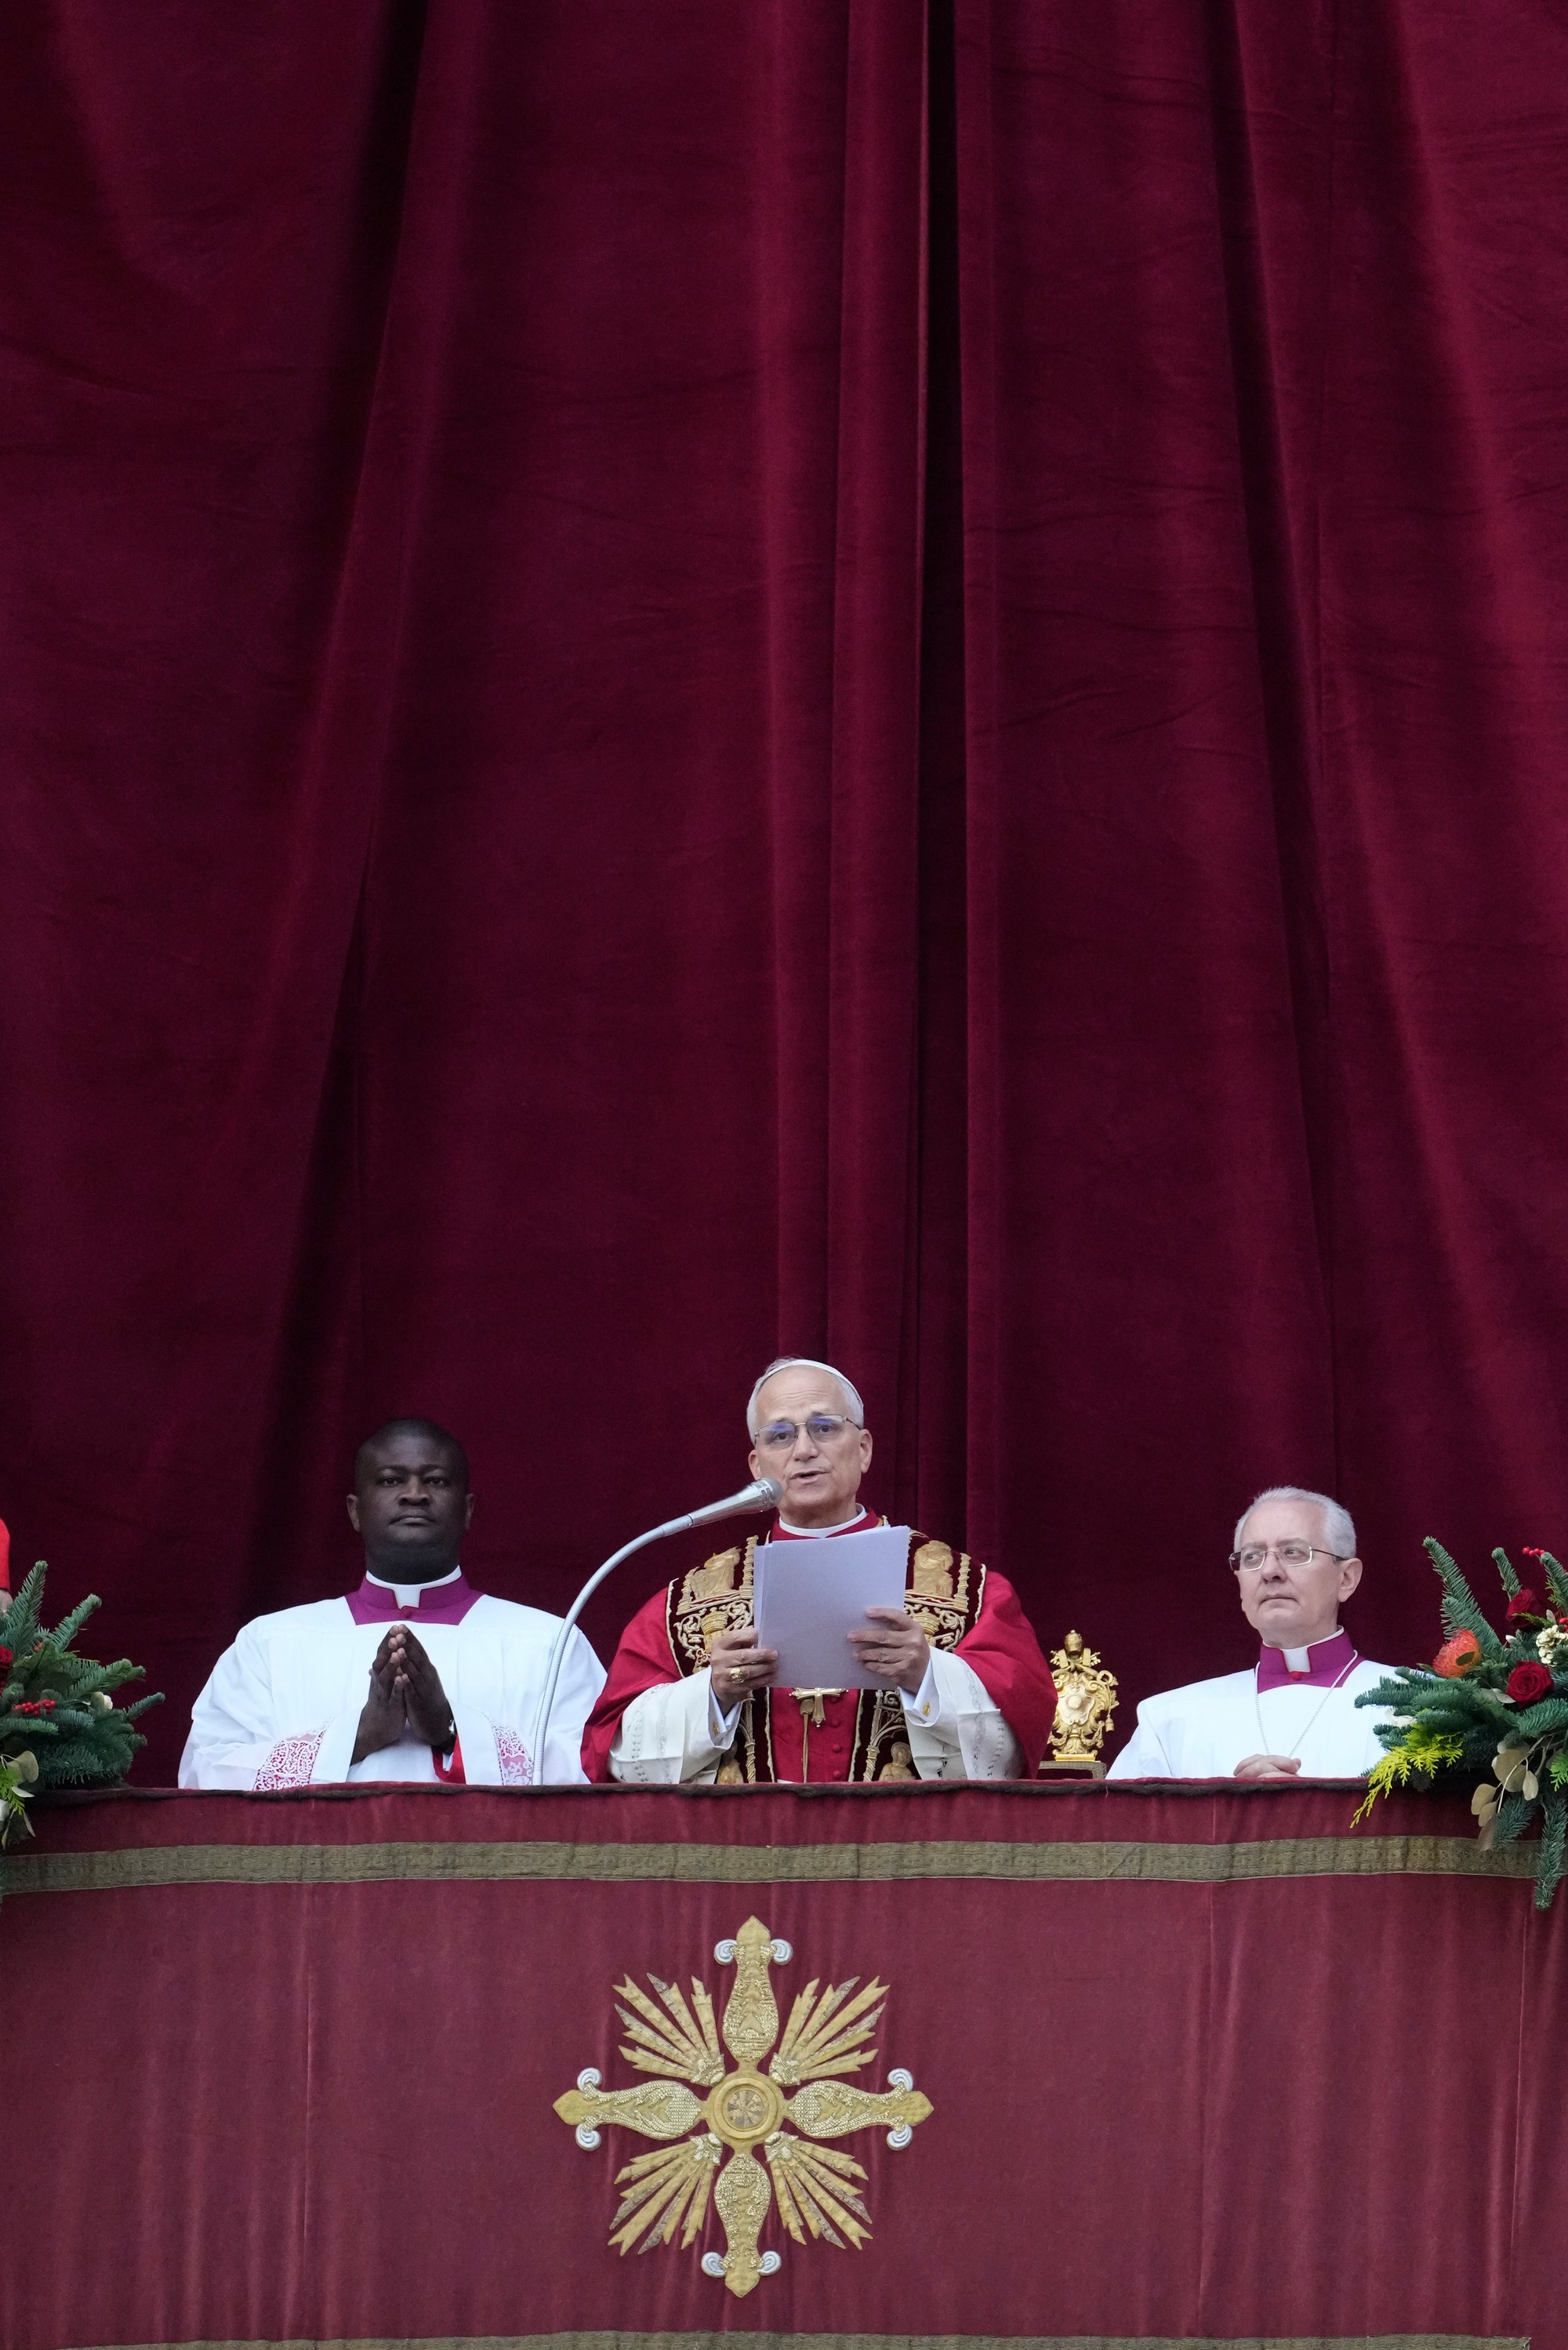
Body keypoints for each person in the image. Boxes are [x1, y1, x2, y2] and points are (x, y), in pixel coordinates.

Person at [583, 1357, 1056, 1783]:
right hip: (747, 1867)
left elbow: (1018, 1746)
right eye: (780, 1435)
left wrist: (927, 1675)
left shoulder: (966, 1590)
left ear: (865, 1448)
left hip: (906, 1863)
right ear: (757, 1463)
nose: (804, 1449)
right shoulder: (688, 1602)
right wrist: (713, 1692)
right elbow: (615, 1756)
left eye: (824, 1427)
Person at [180, 1418, 604, 1789]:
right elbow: (207, 1773)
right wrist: (357, 1736)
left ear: (468, 1510)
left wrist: (453, 1732)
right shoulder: (268, 1645)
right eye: (390, 1480)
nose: (414, 1494)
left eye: (435, 1480)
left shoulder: (551, 1644)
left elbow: (595, 1773)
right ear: (355, 1511)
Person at [1106, 1485, 1395, 1780]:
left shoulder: (1421, 1707)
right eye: (1252, 1557)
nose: (1270, 1571)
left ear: (1346, 1578)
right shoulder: (1170, 1720)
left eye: (1293, 1552)